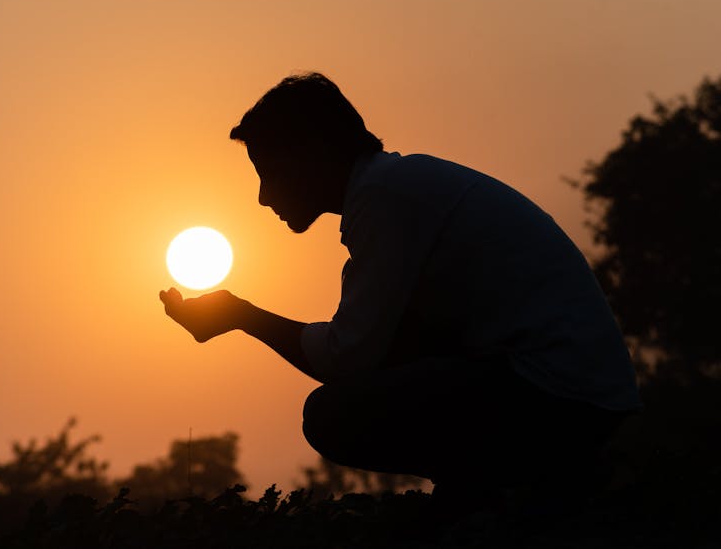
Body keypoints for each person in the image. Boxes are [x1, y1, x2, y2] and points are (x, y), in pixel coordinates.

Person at [159, 71, 642, 517]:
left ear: (312, 154)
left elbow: (345, 356)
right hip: (574, 394)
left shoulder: (385, 198)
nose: (263, 196)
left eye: (268, 171)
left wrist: (242, 315)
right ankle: (496, 490)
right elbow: (375, 347)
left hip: (562, 397)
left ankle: (510, 491)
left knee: (331, 416)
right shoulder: (392, 191)